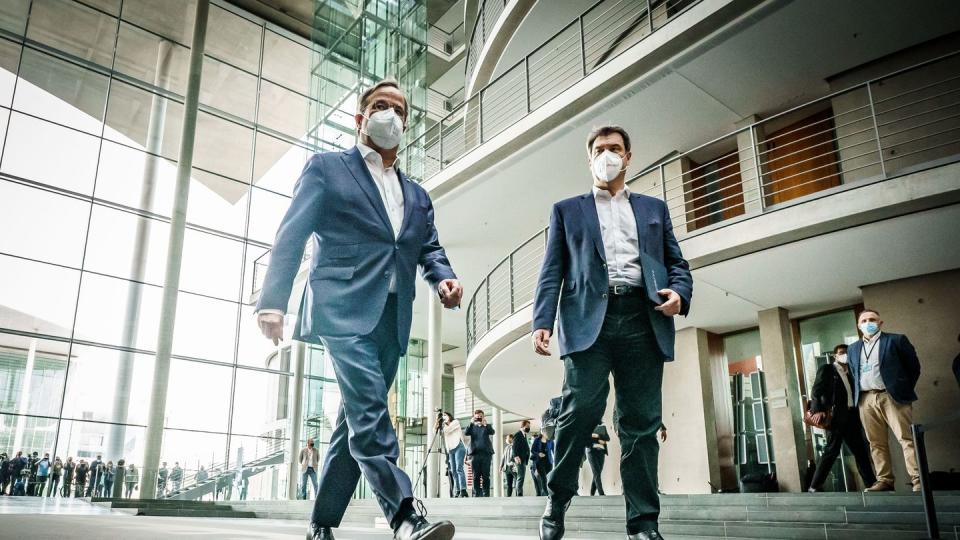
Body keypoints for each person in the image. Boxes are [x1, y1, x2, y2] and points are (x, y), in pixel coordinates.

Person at [256, 78, 461, 540]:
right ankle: (405, 514)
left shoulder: (417, 194)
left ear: (406, 123)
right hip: (340, 307)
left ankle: (321, 524)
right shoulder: (328, 168)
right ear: (360, 117)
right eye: (381, 105)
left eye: (399, 109)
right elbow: (292, 234)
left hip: (392, 314)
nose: (391, 114)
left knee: (353, 421)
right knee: (370, 410)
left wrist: (443, 277)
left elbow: (428, 247)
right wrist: (273, 301)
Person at [532, 125, 693, 540]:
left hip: (644, 316)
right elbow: (552, 271)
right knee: (579, 410)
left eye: (615, 148)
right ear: (590, 158)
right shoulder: (567, 210)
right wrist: (542, 322)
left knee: (640, 422)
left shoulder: (654, 208)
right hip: (589, 322)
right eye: (600, 149)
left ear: (628, 156)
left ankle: (642, 524)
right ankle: (559, 494)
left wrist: (679, 292)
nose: (608, 154)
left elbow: (678, 263)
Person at [848, 309, 922, 492]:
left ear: (881, 323)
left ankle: (918, 479)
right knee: (876, 443)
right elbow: (852, 372)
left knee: (906, 439)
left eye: (872, 319)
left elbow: (914, 367)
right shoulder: (853, 348)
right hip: (866, 399)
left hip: (892, 396)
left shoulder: (896, 340)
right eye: (864, 320)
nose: (868, 323)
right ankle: (884, 480)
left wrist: (900, 388)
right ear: (858, 326)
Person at [808, 344, 876, 492]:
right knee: (831, 451)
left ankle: (872, 485)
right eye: (841, 353)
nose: (844, 354)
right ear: (835, 356)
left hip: (852, 417)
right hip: (837, 417)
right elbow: (816, 390)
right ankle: (814, 486)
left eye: (847, 352)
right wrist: (817, 410)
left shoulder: (851, 372)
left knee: (860, 451)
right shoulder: (828, 369)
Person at [463, 409, 495, 498]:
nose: (479, 418)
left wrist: (486, 424)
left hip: (486, 454)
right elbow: (466, 433)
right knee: (476, 476)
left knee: (486, 475)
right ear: (474, 417)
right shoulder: (472, 426)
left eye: (481, 417)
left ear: (483, 417)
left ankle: (486, 494)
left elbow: (492, 432)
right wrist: (471, 423)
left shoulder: (486, 426)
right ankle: (477, 494)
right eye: (477, 417)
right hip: (475, 454)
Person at [438, 412, 467, 498]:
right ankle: (457, 490)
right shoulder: (443, 426)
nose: (444, 417)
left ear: (450, 416)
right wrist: (437, 421)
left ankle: (463, 490)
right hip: (450, 450)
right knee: (453, 471)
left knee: (459, 468)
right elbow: (434, 431)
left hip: (459, 446)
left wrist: (443, 424)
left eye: (445, 415)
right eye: (443, 416)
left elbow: (447, 430)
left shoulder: (455, 422)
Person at [586, 423, 611, 496]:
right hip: (591, 452)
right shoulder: (588, 426)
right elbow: (586, 438)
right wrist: (597, 438)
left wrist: (598, 436)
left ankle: (592, 493)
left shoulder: (603, 427)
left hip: (601, 451)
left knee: (598, 472)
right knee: (596, 472)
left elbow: (608, 438)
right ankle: (601, 493)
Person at [511, 420, 532, 497]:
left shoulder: (524, 435)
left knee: (521, 477)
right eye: (527, 426)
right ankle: (519, 495)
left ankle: (519, 494)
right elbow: (514, 447)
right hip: (519, 459)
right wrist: (516, 456)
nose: (528, 428)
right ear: (522, 426)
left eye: (529, 427)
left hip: (523, 459)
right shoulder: (518, 435)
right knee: (520, 477)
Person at [531, 432, 554, 497]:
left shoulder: (550, 440)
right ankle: (547, 495)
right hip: (539, 462)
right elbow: (532, 450)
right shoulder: (537, 440)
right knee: (543, 478)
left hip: (549, 462)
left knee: (549, 478)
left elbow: (554, 450)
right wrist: (538, 454)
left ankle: (549, 493)